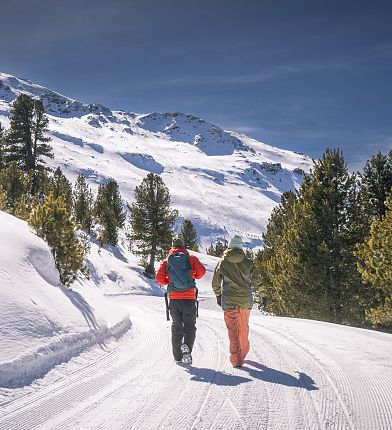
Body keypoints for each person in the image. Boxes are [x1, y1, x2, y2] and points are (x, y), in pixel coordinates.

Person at [156, 237, 206, 364]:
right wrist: (191, 276)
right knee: (190, 326)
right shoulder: (191, 258)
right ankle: (187, 347)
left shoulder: (167, 260)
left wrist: (170, 281)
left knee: (176, 326)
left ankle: (178, 357)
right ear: (184, 247)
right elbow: (201, 273)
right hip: (189, 298)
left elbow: (159, 278)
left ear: (172, 247)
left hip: (174, 299)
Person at [212, 235, 253, 367]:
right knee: (243, 328)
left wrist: (218, 295)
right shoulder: (248, 262)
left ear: (229, 247)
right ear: (240, 248)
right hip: (245, 302)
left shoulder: (223, 262)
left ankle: (236, 359)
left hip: (229, 301)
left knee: (233, 330)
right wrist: (263, 295)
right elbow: (257, 280)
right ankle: (244, 352)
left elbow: (216, 281)